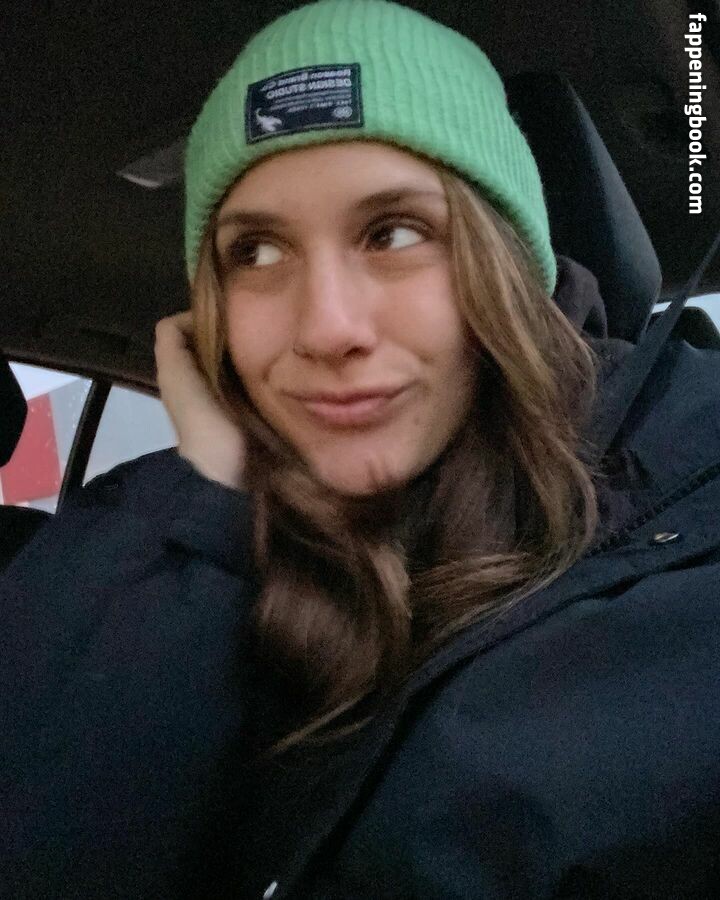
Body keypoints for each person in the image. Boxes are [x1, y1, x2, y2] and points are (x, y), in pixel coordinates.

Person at [3, 0, 720, 897]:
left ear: (507, 264)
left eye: (395, 234)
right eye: (256, 252)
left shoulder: (689, 537)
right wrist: (210, 489)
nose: (325, 327)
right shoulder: (157, 535)